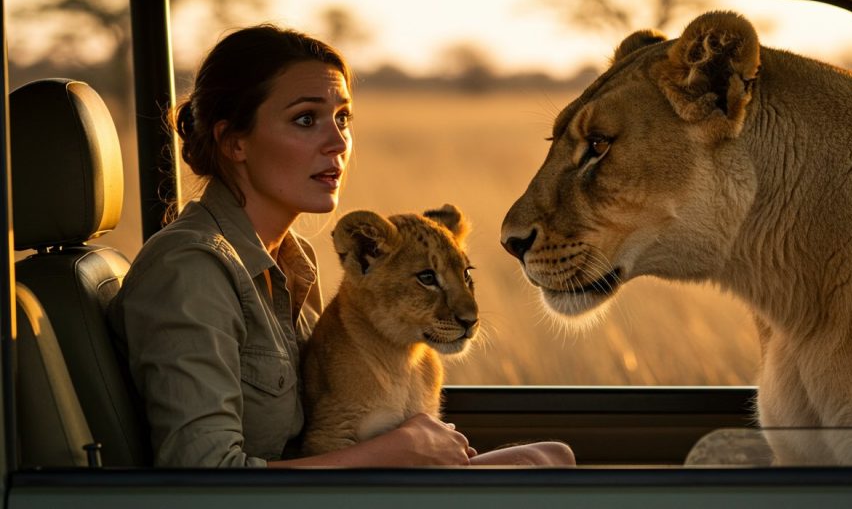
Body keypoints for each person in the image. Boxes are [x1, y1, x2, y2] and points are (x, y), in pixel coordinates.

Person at [108, 24, 575, 468]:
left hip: (334, 484)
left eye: (343, 117)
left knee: (550, 457)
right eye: (306, 119)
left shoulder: (288, 257)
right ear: (234, 143)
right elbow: (204, 479)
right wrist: (396, 452)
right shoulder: (191, 270)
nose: (337, 142)